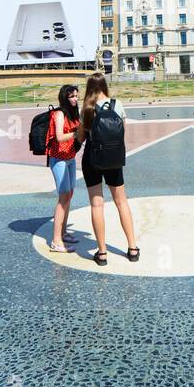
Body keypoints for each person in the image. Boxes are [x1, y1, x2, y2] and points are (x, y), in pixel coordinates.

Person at [77, 73, 139, 266]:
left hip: (92, 159)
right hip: (114, 158)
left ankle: (102, 253)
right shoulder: (117, 104)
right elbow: (122, 132)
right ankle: (132, 248)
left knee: (97, 205)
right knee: (122, 203)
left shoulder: (87, 109)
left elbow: (80, 139)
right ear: (105, 85)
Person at [46, 84, 82, 252]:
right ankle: (56, 241)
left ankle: (64, 232)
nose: (75, 99)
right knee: (64, 196)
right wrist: (77, 133)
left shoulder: (74, 114)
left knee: (69, 195)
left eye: (76, 96)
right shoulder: (59, 114)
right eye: (72, 96)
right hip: (58, 159)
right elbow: (60, 137)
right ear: (64, 98)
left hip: (70, 159)